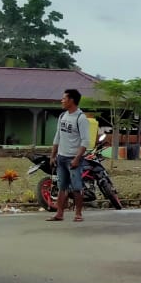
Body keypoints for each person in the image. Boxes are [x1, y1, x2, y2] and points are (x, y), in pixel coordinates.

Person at [48, 89, 90, 222]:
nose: (62, 101)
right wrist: (53, 155)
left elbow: (85, 141)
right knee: (61, 187)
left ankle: (78, 214)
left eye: (64, 98)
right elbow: (57, 137)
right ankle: (59, 213)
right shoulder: (62, 116)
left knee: (77, 187)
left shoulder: (80, 118)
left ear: (71, 100)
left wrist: (77, 158)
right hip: (61, 157)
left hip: (73, 158)